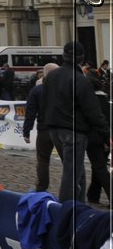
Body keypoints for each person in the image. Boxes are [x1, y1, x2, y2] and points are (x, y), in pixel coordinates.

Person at [40, 41, 110, 202]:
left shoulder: (51, 76)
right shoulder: (80, 80)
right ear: (81, 58)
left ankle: (79, 206)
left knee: (76, 171)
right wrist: (106, 134)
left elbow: (44, 103)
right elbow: (93, 111)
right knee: (71, 174)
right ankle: (67, 210)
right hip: (73, 131)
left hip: (54, 129)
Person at [21, 64, 58, 194]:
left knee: (43, 160)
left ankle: (41, 187)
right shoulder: (65, 88)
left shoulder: (37, 90)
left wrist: (26, 131)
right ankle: (72, 189)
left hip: (44, 129)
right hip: (62, 129)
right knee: (69, 162)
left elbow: (30, 112)